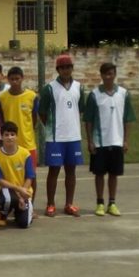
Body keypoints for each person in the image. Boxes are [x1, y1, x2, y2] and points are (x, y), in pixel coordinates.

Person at [84, 62, 136, 217]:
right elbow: (88, 120)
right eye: (105, 73)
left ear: (115, 74)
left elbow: (127, 119)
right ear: (101, 75)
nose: (108, 76)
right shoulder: (94, 95)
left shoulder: (123, 94)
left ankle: (112, 203)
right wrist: (90, 141)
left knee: (114, 174)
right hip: (100, 142)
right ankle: (100, 203)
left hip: (117, 141)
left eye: (111, 73)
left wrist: (125, 140)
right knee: (99, 174)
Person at [39, 54, 85, 217]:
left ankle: (69, 204)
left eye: (68, 67)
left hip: (73, 136)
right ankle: (51, 204)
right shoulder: (49, 88)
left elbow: (79, 110)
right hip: (56, 137)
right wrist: (53, 128)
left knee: (71, 171)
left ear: (72, 68)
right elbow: (42, 113)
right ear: (58, 70)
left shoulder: (79, 87)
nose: (66, 70)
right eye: (62, 67)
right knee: (54, 171)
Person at [0, 66, 39, 208]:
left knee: (31, 176)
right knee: (8, 176)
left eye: (17, 79)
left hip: (28, 144)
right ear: (8, 79)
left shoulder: (32, 96)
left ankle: (30, 206)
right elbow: (1, 121)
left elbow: (34, 120)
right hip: (8, 145)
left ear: (22, 79)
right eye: (12, 79)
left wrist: (26, 132)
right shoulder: (2, 98)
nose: (15, 82)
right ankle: (9, 204)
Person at [0, 121, 36, 228]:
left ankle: (18, 211)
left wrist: (22, 194)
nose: (10, 137)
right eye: (6, 135)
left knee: (23, 224)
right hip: (8, 190)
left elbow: (30, 177)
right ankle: (3, 213)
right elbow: (0, 180)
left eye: (12, 134)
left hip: (24, 192)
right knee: (8, 198)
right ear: (2, 136)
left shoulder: (25, 154)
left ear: (16, 136)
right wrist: (19, 190)